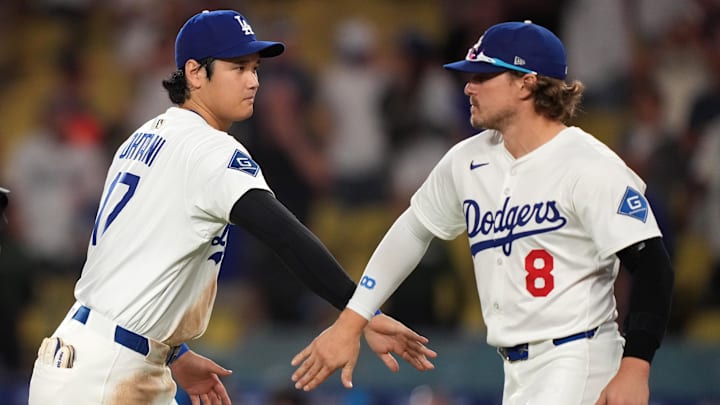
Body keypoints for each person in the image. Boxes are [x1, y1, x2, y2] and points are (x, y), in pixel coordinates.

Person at [27, 9, 436, 405]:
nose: (254, 81)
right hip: (108, 374)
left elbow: (132, 262)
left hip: (90, 354)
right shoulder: (209, 148)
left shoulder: (144, 135)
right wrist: (359, 311)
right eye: (238, 68)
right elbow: (284, 236)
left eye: (255, 68)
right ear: (194, 73)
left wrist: (172, 353)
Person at [291, 21, 675, 405]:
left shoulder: (587, 164)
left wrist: (635, 366)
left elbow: (653, 265)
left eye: (484, 75)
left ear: (527, 82)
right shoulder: (467, 160)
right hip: (517, 371)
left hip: (580, 356)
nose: (468, 87)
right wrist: (353, 318)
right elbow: (412, 230)